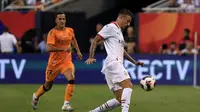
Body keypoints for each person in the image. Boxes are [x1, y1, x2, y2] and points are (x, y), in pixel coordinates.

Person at [85, 9, 144, 112]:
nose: (128, 24)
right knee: (128, 86)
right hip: (113, 63)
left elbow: (122, 51)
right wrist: (91, 56)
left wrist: (134, 62)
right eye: (128, 20)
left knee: (119, 99)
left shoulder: (119, 32)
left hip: (111, 65)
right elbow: (96, 40)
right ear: (121, 17)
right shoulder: (110, 27)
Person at [31, 12, 83, 111]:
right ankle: (36, 96)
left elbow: (73, 40)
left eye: (63, 19)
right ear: (56, 20)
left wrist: (78, 51)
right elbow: (48, 48)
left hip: (66, 62)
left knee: (71, 78)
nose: (62, 21)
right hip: (54, 64)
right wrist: (63, 49)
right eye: (59, 19)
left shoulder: (70, 30)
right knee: (47, 86)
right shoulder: (52, 32)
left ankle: (66, 104)